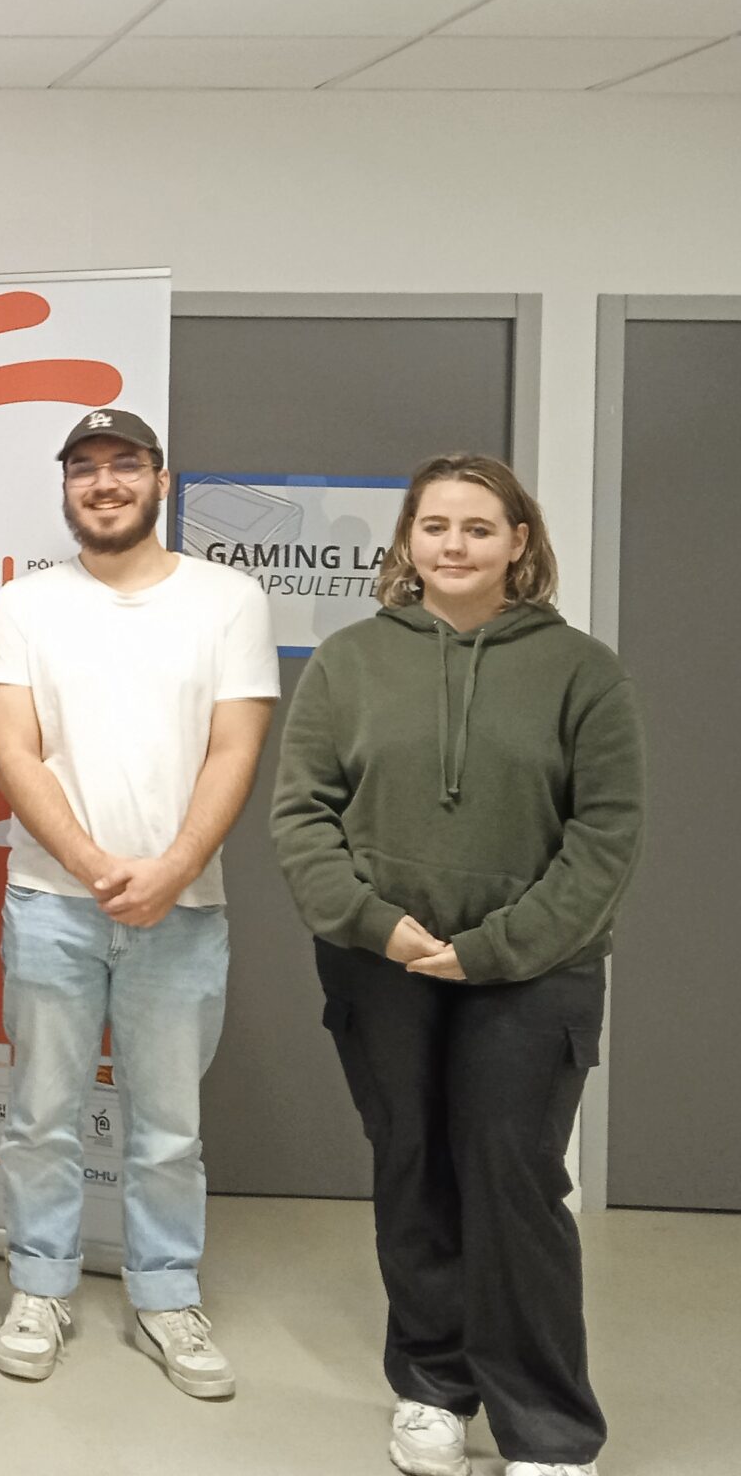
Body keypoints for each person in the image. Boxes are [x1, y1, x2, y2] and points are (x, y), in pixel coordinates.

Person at [272, 454, 642, 1476]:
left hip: (534, 969)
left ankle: (549, 1428)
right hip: (379, 964)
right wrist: (375, 925)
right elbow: (301, 815)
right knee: (412, 1167)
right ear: (407, 540)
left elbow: (606, 836)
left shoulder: (583, 671)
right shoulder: (349, 660)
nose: (454, 544)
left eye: (479, 527)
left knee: (514, 1180)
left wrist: (492, 948)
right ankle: (432, 1386)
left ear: (518, 542)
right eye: (434, 526)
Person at [0, 407, 276, 1401]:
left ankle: (165, 1295)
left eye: (124, 465)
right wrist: (95, 864)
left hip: (182, 908)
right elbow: (14, 750)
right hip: (50, 904)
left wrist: (174, 867)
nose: (104, 484)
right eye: (84, 469)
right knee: (41, 1117)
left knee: (169, 1129)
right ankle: (40, 1286)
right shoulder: (25, 605)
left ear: (159, 478)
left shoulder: (228, 600)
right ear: (65, 486)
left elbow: (235, 748)